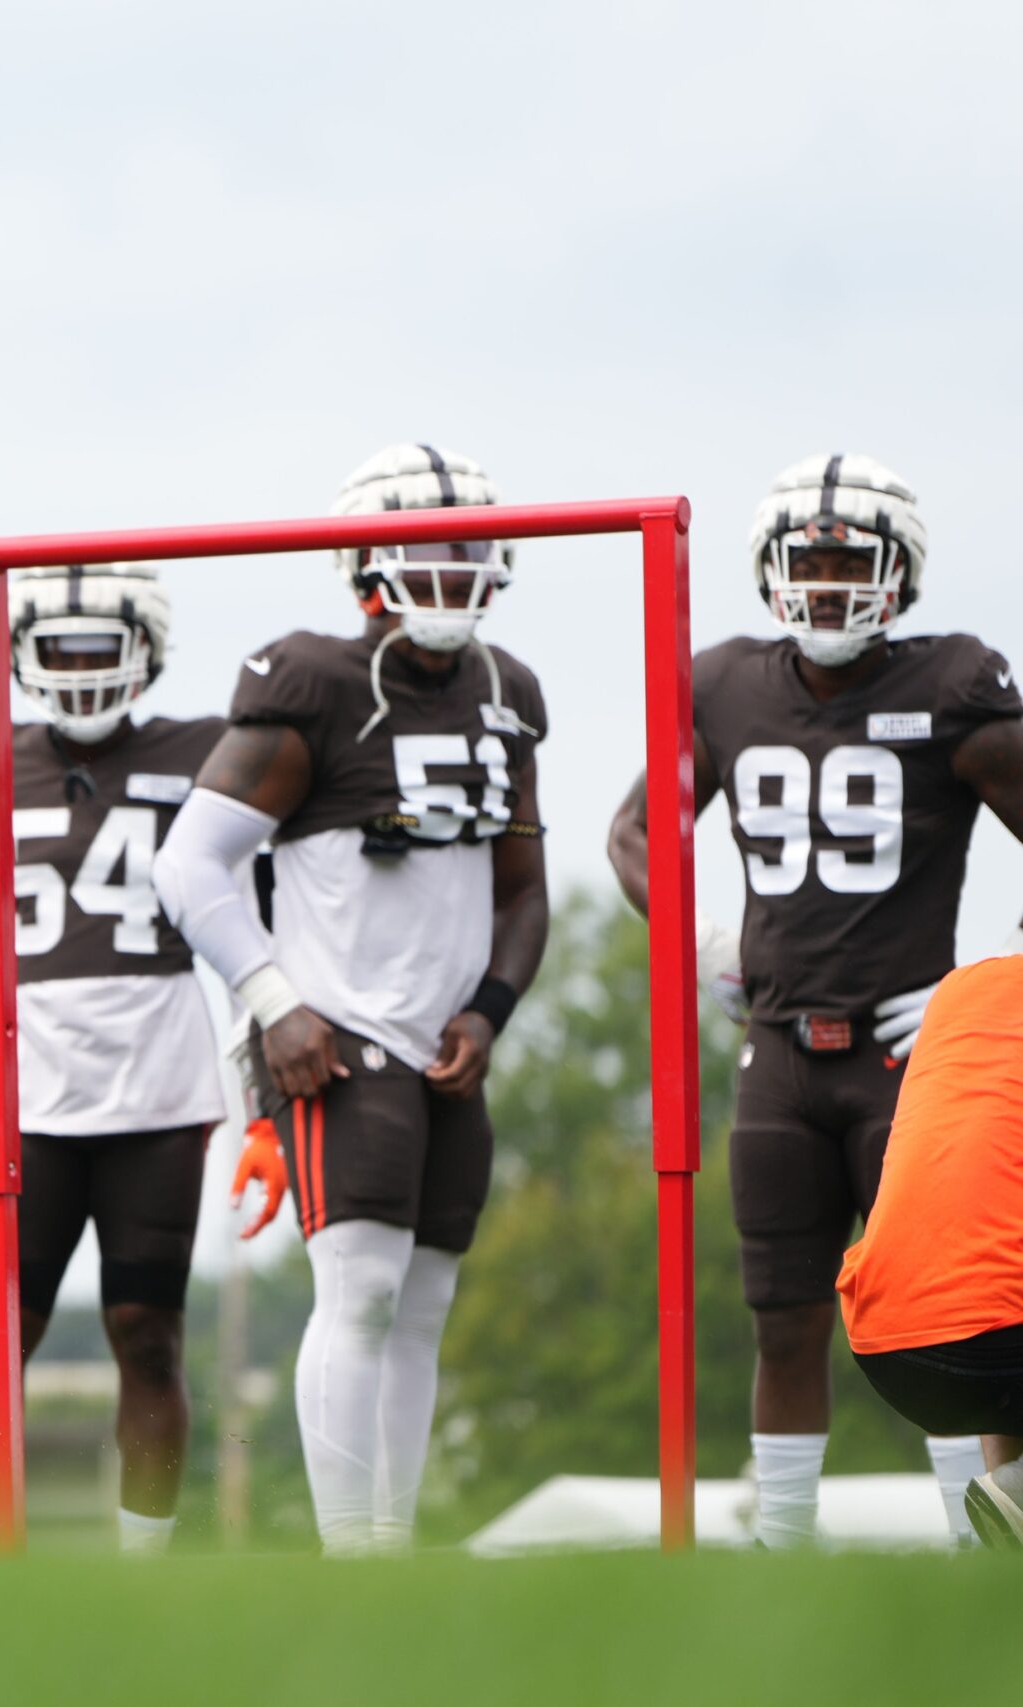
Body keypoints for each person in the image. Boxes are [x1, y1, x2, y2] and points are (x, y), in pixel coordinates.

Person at [607, 453, 1023, 1547]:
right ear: (771, 570)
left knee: (943, 1304)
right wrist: (699, 945)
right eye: (810, 561)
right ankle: (782, 1555)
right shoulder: (722, 685)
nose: (831, 585)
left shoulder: (953, 686)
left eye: (853, 562)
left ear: (901, 575)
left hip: (909, 1057)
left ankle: (963, 1543)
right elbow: (634, 832)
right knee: (780, 1320)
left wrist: (981, 990)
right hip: (780, 1054)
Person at [155, 445, 548, 1554]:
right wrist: (274, 1000)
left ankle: (394, 1548)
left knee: (419, 1307)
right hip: (339, 1031)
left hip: (444, 1041)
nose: (452, 567)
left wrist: (491, 1010)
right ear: (364, 558)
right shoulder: (316, 684)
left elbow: (522, 893)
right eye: (428, 546)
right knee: (363, 1291)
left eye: (467, 546)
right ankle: (352, 1558)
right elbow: (188, 868)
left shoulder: (508, 691)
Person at [0, 563, 234, 1557]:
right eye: (61, 648)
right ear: (21, 655)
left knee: (148, 1333)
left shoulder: (206, 753)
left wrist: (257, 1107)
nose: (82, 669)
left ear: (146, 650)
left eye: (102, 647)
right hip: (29, 1095)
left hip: (163, 1087)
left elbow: (247, 923)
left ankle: (147, 1569)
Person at [835, 953, 1023, 1545]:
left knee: (994, 1251)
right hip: (1002, 1338)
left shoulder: (960, 988)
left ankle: (1006, 1501)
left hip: (894, 1347)